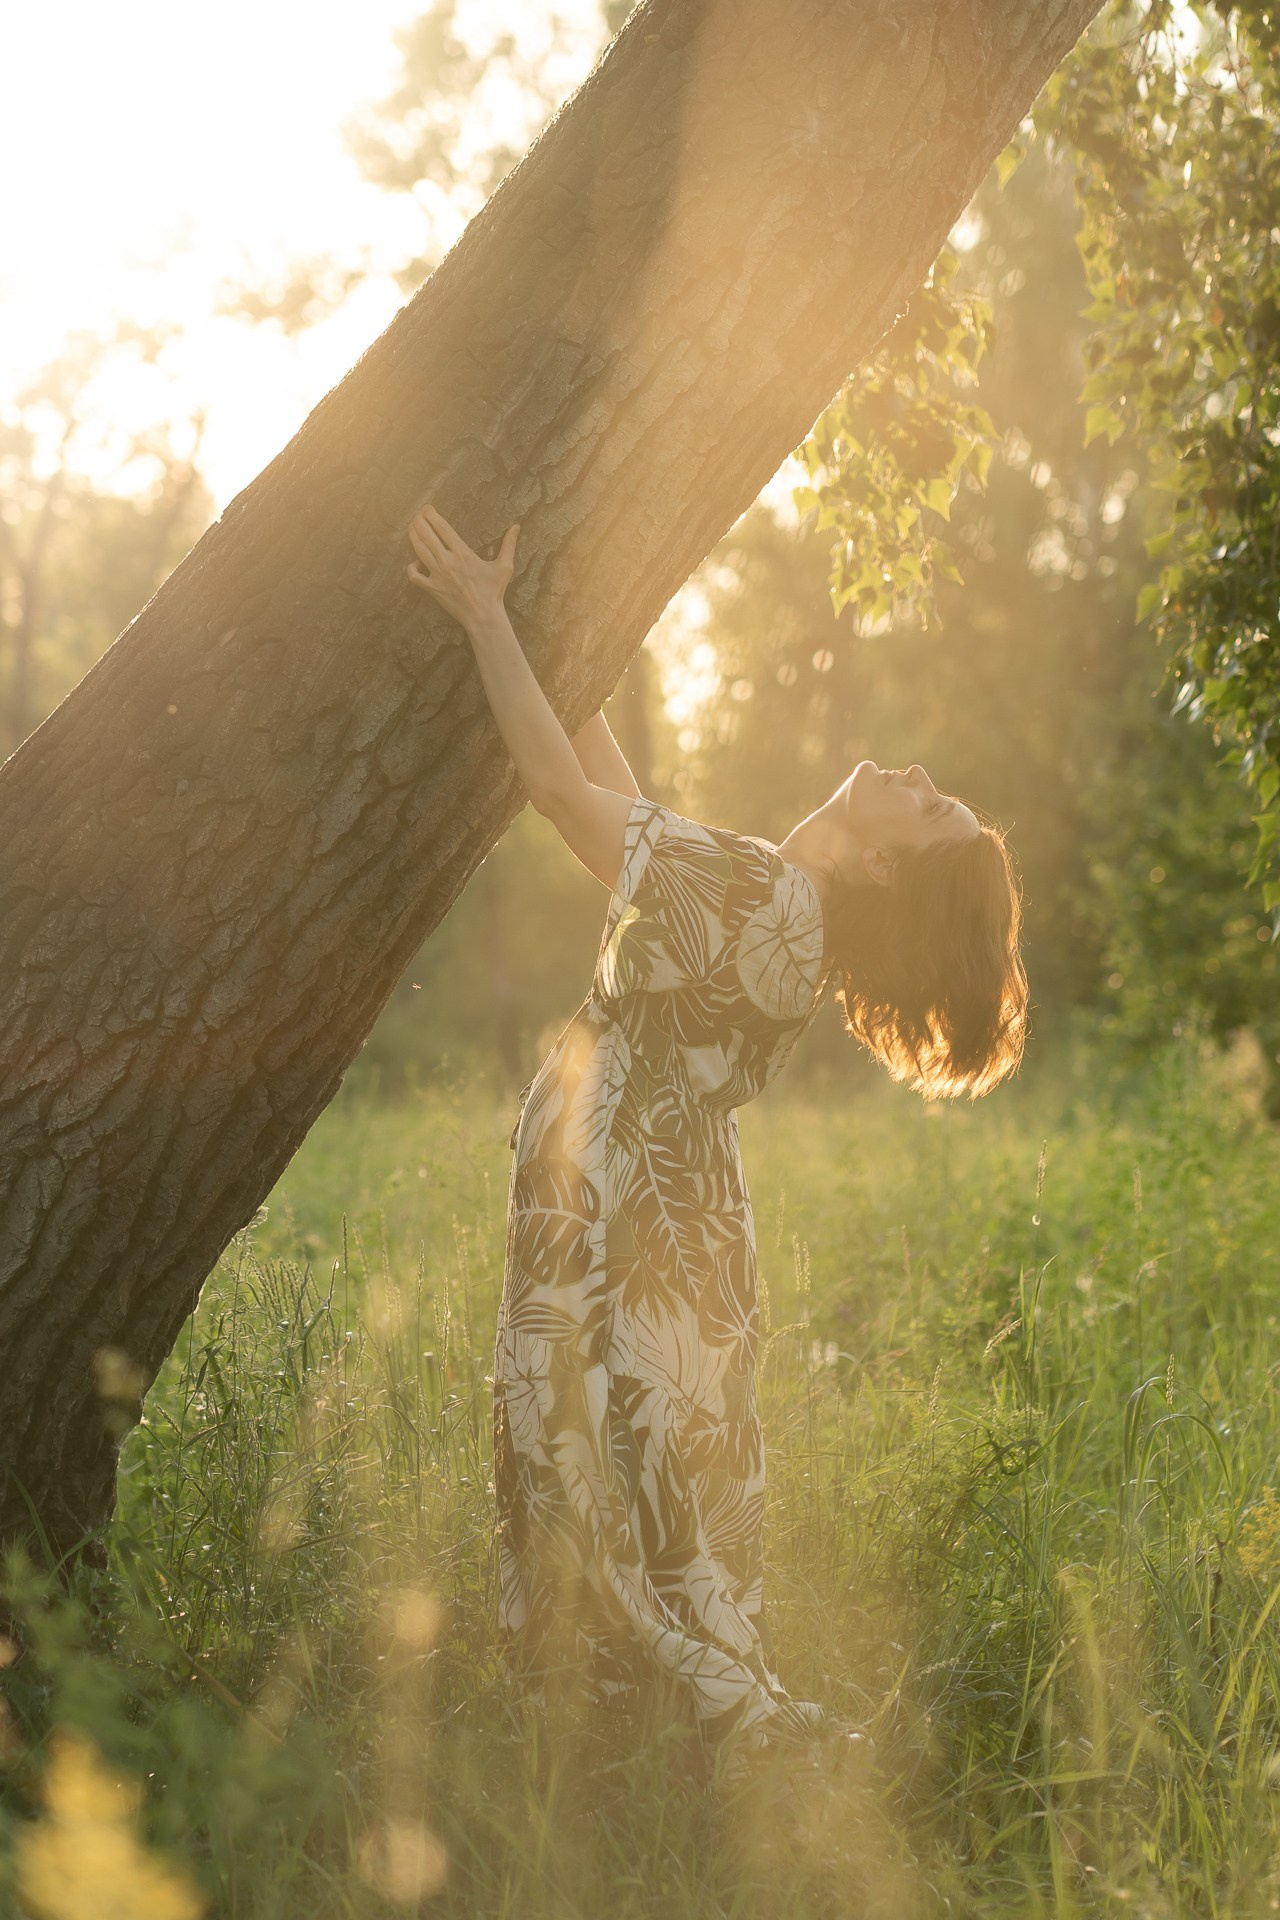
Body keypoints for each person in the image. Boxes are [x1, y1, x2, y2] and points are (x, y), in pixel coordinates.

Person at [405, 505, 1028, 1766]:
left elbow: (555, 795)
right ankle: (652, 1714)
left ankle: (618, 1721)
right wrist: (560, 641)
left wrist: (482, 619)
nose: (910, 778)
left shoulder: (762, 891)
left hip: (619, 1186)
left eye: (928, 808)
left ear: (888, 874)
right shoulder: (777, 906)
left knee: (586, 1441)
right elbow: (620, 827)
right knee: (645, 1461)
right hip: (674, 1204)